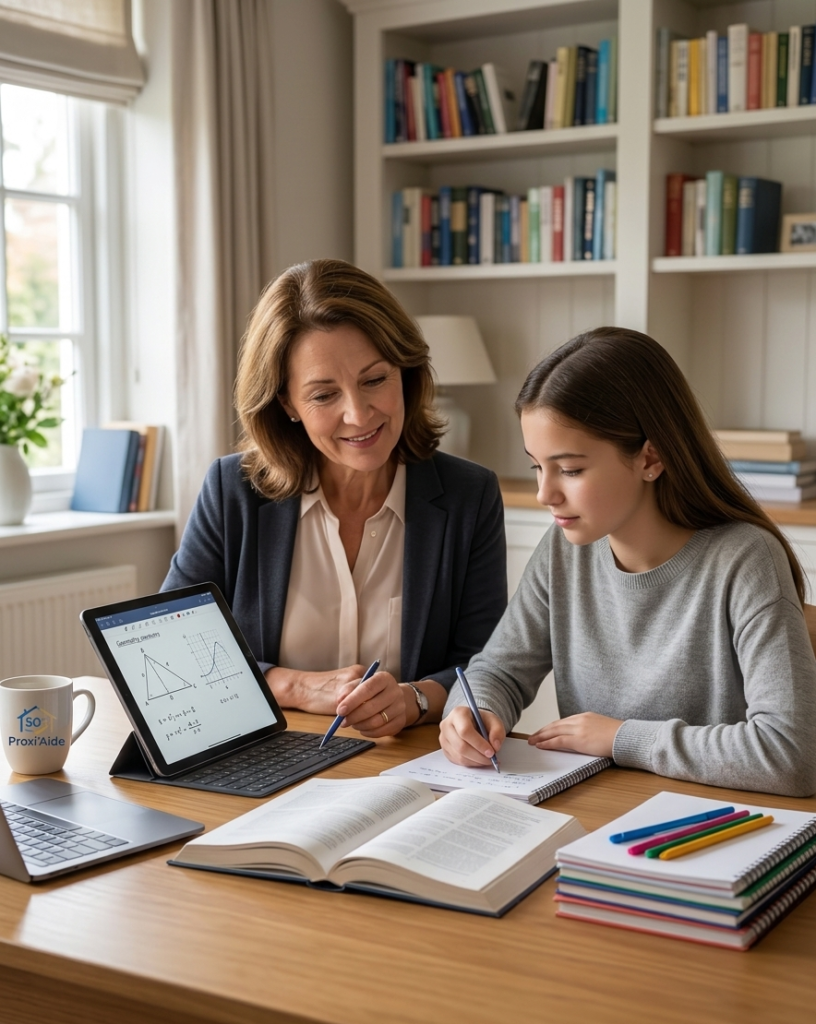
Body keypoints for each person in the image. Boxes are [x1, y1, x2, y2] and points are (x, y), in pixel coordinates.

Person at [440, 326, 816, 797]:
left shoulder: (745, 560)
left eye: (571, 469)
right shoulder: (563, 549)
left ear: (650, 458)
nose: (544, 493)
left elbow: (789, 755)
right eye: (538, 466)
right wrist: (472, 714)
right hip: (598, 813)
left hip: (711, 828)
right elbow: (498, 671)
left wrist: (621, 737)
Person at [162, 258, 507, 737]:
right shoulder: (232, 492)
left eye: (374, 380)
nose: (358, 414)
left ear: (404, 372)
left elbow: (487, 665)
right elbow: (172, 648)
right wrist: (294, 686)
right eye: (324, 395)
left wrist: (414, 698)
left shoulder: (471, 496)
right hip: (264, 763)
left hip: (405, 765)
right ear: (288, 404)